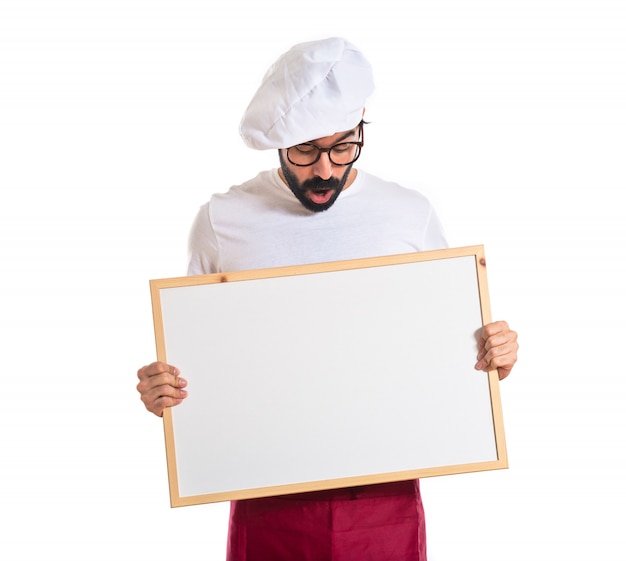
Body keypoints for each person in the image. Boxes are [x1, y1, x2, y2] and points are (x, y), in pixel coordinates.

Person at [137, 37, 519, 561]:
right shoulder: (223, 222)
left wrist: (495, 357)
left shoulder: (408, 214)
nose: (324, 170)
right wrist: (164, 391)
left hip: (384, 496)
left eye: (342, 147)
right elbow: (198, 364)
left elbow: (447, 355)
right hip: (267, 495)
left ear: (361, 125)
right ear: (278, 143)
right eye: (306, 151)